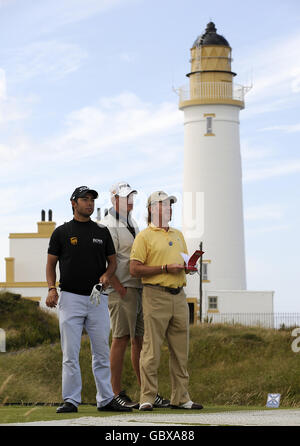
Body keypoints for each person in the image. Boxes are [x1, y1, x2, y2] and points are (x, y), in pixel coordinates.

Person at [45, 185, 132, 413]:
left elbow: (112, 262)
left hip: (97, 299)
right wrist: (51, 289)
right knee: (70, 354)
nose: (89, 203)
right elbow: (51, 264)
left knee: (101, 352)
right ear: (74, 203)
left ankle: (105, 399)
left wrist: (107, 274)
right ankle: (71, 400)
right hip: (70, 298)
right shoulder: (61, 232)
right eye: (84, 199)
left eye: (92, 199)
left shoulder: (102, 231)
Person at [130, 191, 204, 411]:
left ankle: (180, 398)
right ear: (152, 209)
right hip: (155, 295)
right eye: (163, 205)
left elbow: (180, 261)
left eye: (170, 205)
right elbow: (134, 269)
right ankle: (147, 398)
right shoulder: (144, 236)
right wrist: (164, 268)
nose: (169, 209)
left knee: (181, 351)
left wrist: (188, 267)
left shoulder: (178, 235)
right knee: (151, 350)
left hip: (178, 296)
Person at [101, 182, 169, 409]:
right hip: (122, 289)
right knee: (120, 339)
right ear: (113, 199)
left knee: (139, 340)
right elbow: (107, 261)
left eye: (131, 196)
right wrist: (118, 287)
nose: (129, 200)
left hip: (137, 287)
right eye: (124, 197)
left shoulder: (131, 221)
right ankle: (115, 392)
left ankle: (146, 393)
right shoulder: (108, 225)